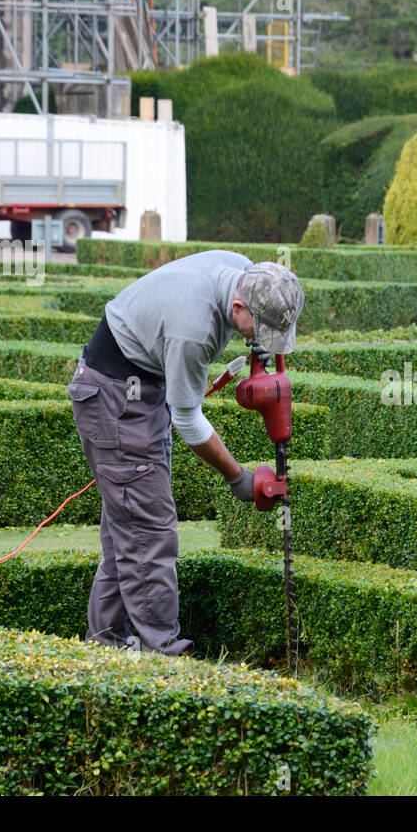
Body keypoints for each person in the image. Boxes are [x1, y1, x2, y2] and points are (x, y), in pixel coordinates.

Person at [67, 250, 305, 656]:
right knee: (150, 529)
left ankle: (105, 645)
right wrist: (238, 478)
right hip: (117, 398)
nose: (261, 338)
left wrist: (257, 349)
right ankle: (162, 651)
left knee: (128, 526)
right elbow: (189, 420)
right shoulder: (193, 329)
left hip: (137, 384)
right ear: (238, 305)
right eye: (260, 329)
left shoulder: (239, 268)